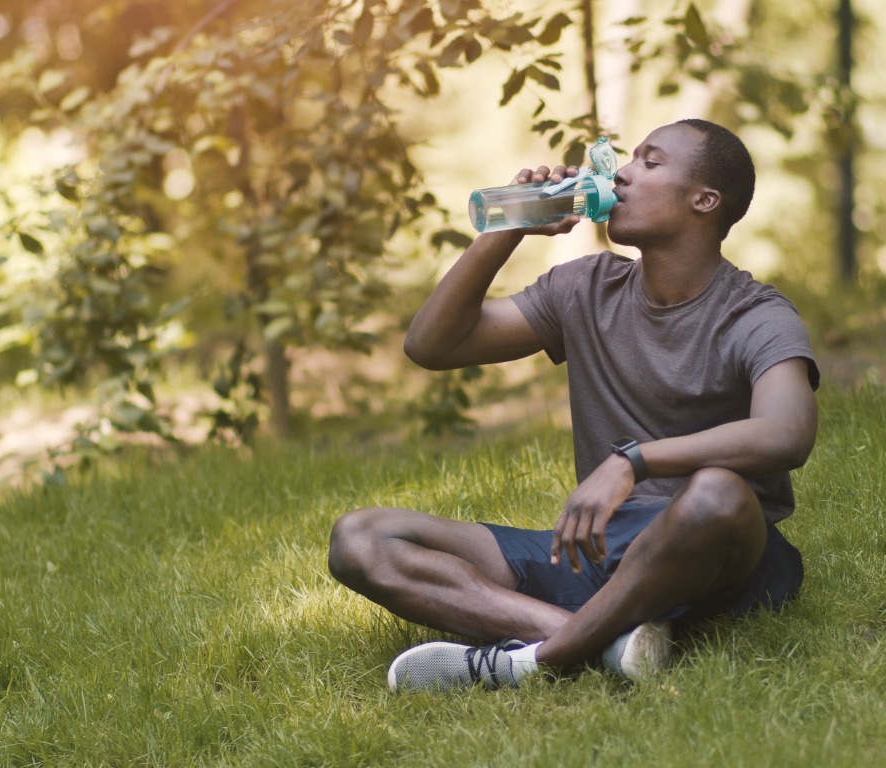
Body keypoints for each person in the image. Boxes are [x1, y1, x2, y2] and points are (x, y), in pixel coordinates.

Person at [327, 119, 820, 692]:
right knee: (361, 538)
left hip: (708, 555)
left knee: (718, 492)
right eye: (629, 159)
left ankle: (532, 661)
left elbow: (788, 433)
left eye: (651, 163)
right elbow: (433, 345)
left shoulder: (756, 314)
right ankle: (601, 640)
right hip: (595, 552)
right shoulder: (585, 288)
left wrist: (632, 461)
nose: (624, 173)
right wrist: (510, 224)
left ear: (704, 200)